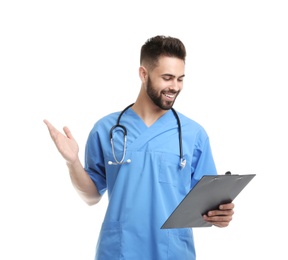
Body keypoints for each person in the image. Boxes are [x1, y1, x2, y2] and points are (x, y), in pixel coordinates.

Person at [44, 35, 234, 260]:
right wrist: (72, 161)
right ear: (143, 74)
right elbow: (91, 196)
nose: (175, 87)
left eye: (180, 79)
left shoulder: (194, 134)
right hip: (120, 251)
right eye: (167, 77)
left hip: (172, 252)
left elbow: (205, 207)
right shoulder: (107, 129)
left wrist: (221, 216)